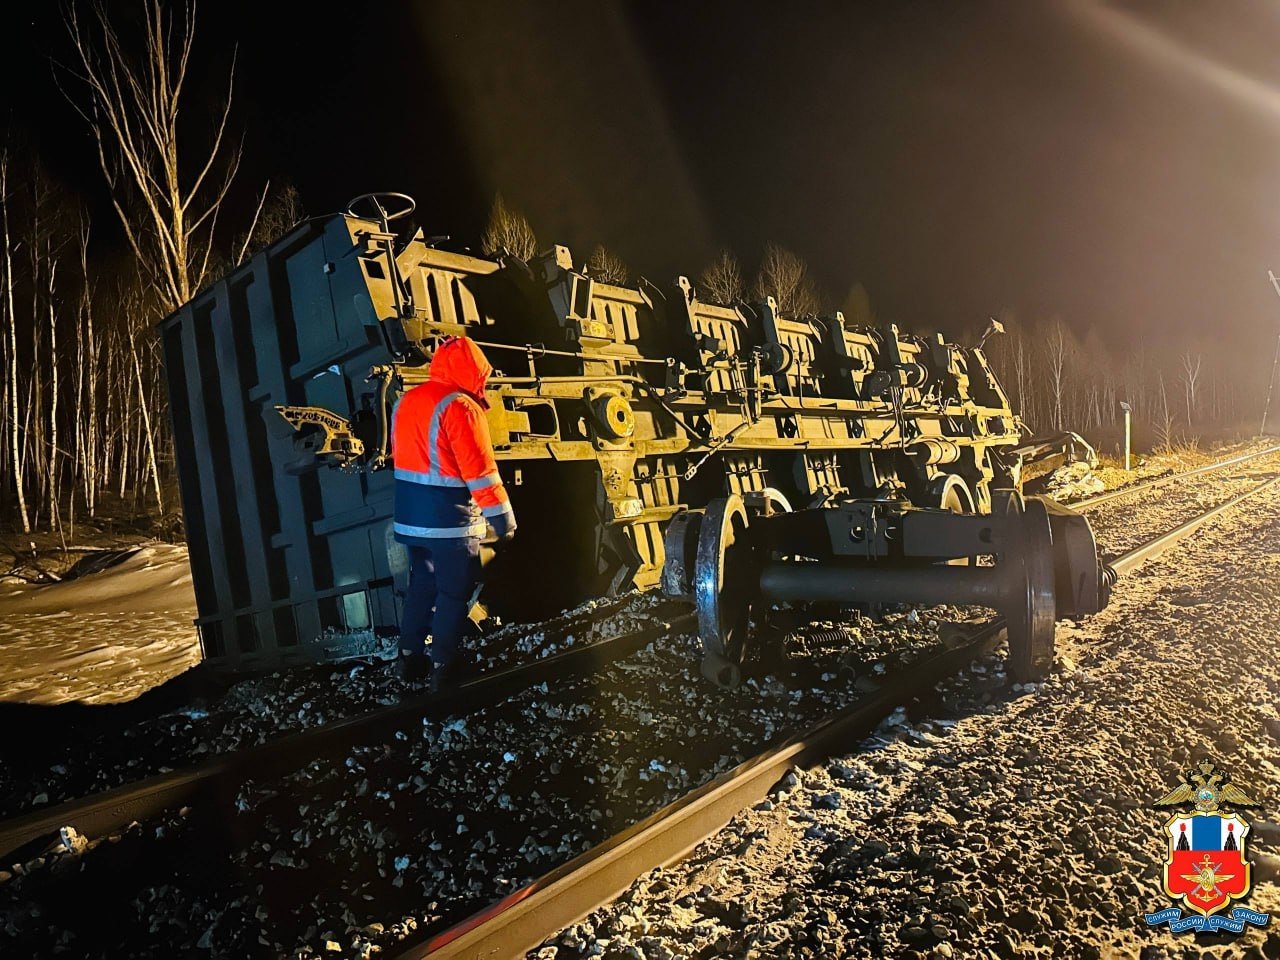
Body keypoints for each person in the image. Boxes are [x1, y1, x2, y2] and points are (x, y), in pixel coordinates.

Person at [391, 336, 516, 688]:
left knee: (422, 585)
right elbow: (480, 473)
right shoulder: (461, 407)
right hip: (449, 522)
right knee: (453, 592)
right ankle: (444, 667)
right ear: (474, 370)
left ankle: (408, 659)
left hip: (410, 519)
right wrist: (504, 521)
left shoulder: (405, 401)